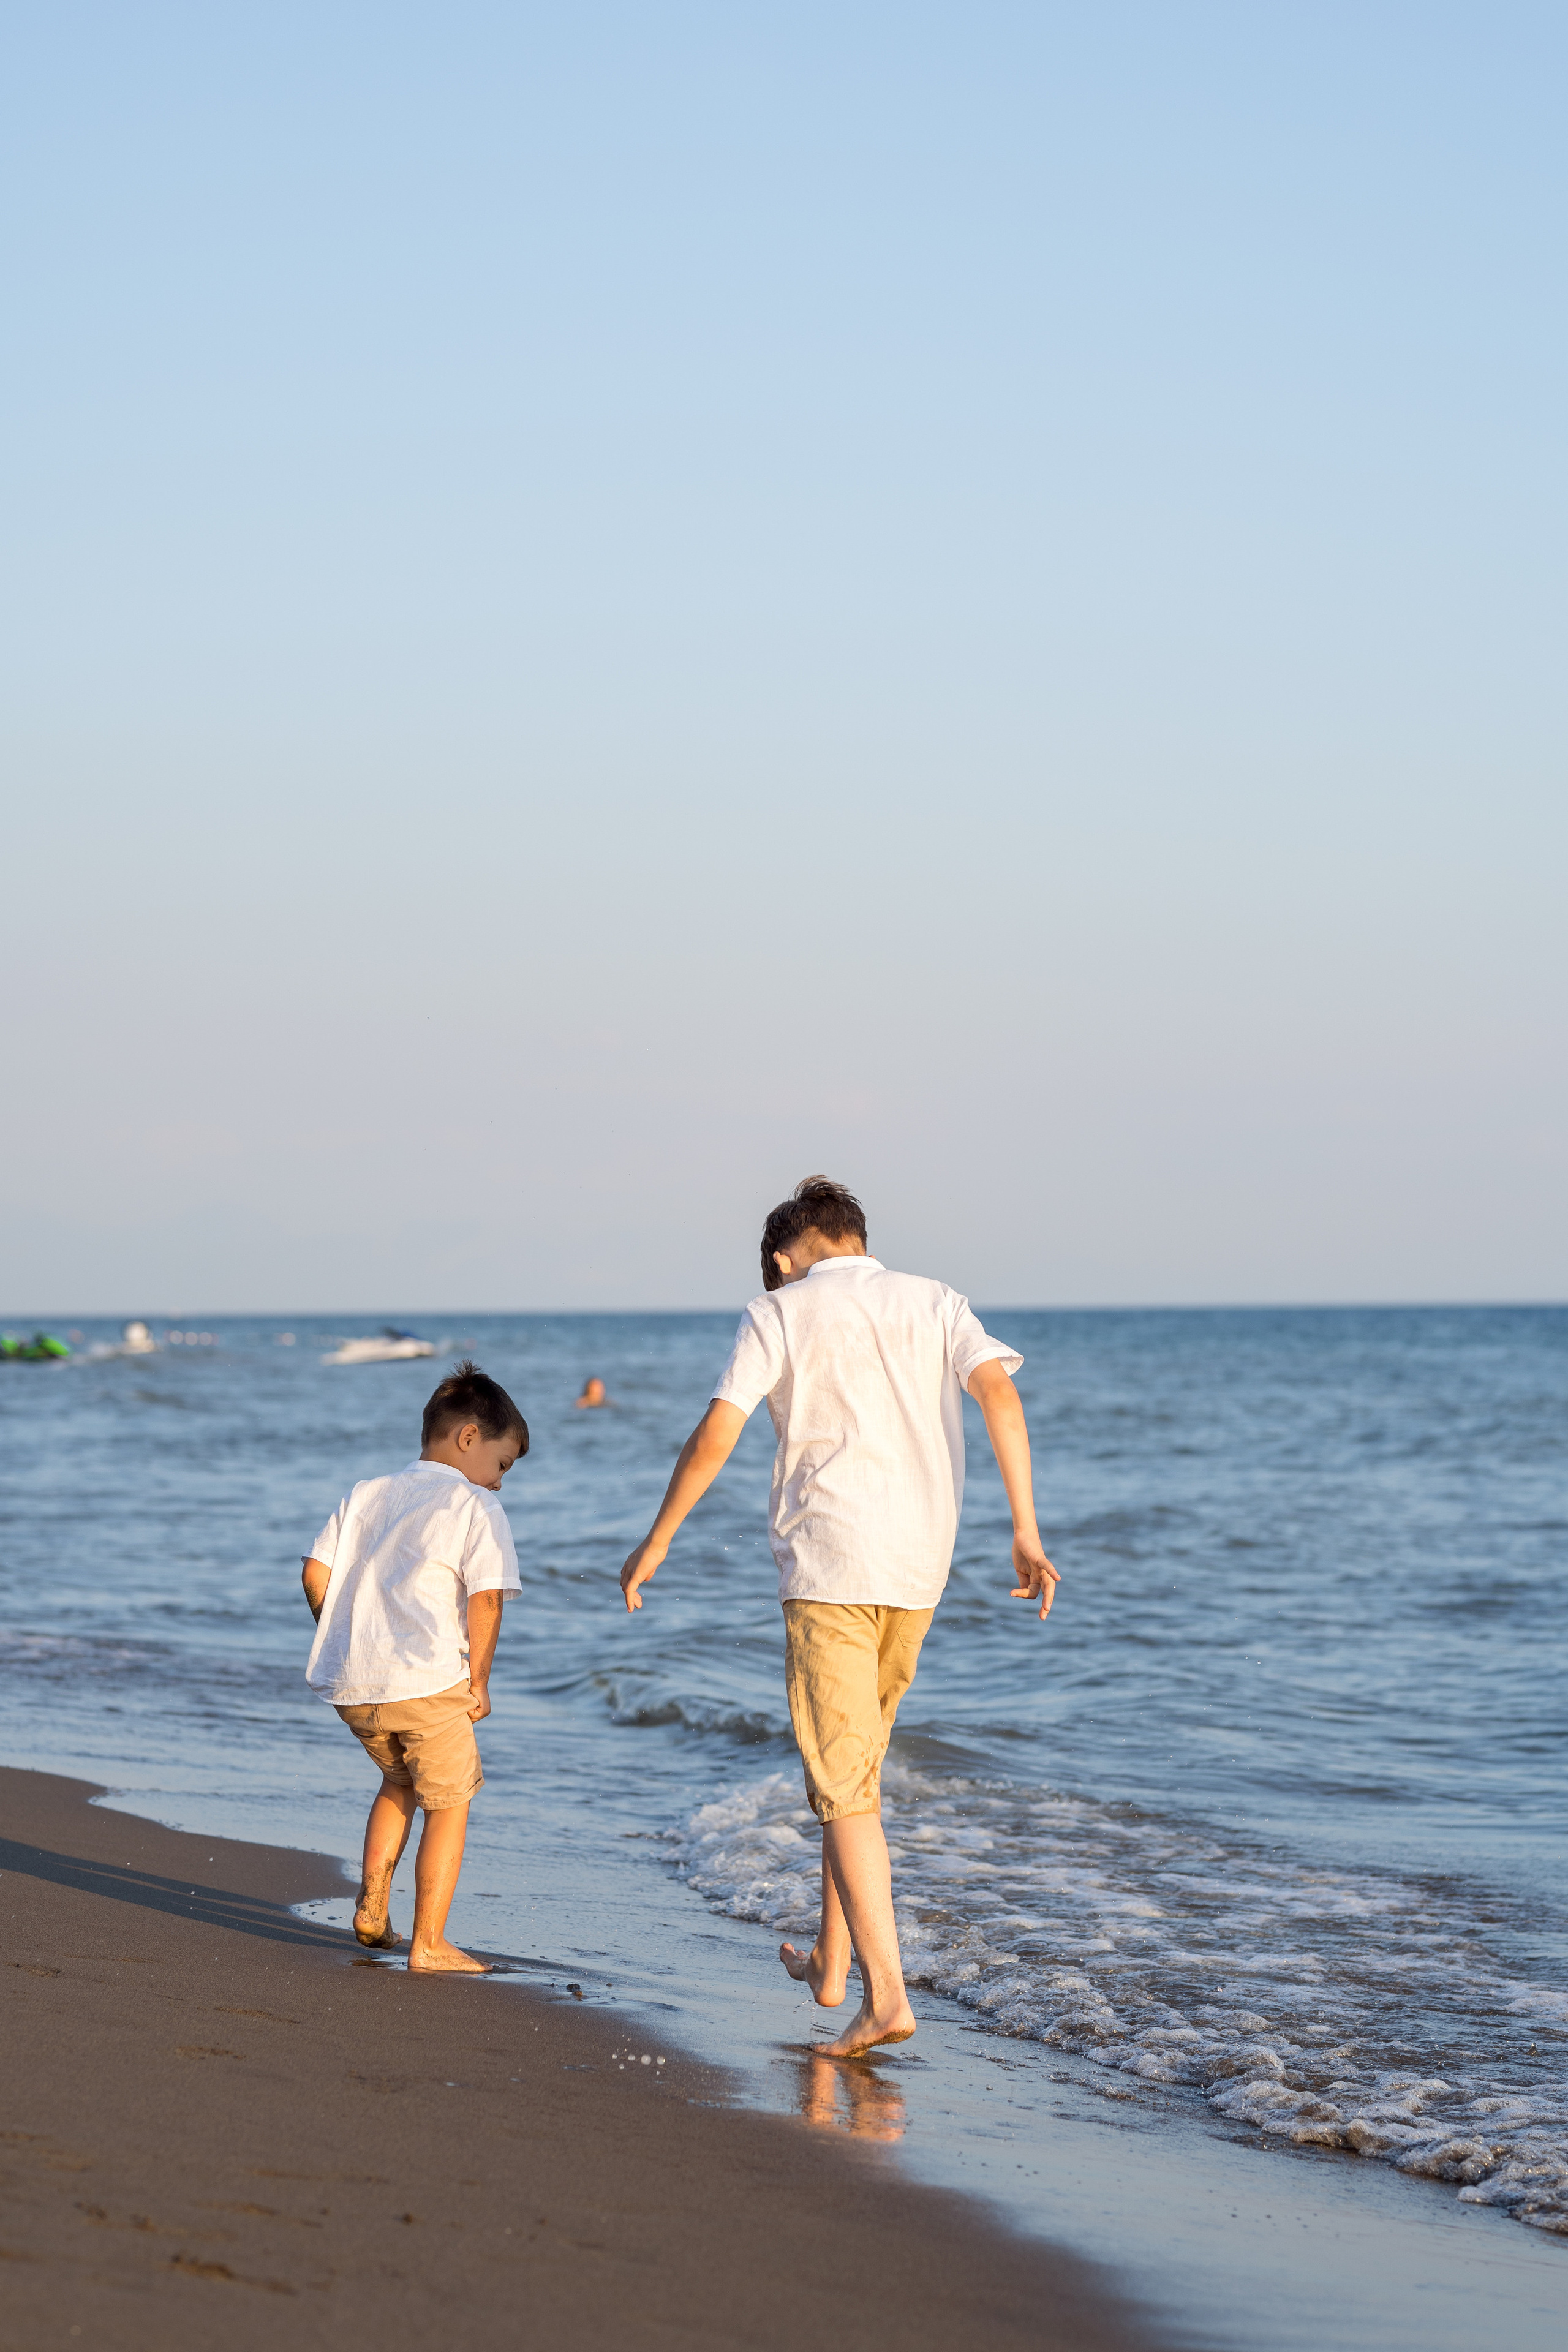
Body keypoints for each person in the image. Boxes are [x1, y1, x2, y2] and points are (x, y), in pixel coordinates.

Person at [620, 1176, 1058, 2057]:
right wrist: (1025, 1529)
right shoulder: (937, 1300)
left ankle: (887, 1998)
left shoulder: (777, 1311)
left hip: (830, 1567)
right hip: (918, 1571)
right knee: (853, 1772)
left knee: (845, 1784)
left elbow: (718, 1430)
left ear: (787, 1256)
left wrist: (658, 1537)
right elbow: (1000, 1398)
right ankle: (832, 1960)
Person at [301, 1360, 529, 1973]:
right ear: (469, 1437)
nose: (499, 1483)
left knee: (399, 1782)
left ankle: (372, 1908)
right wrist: (479, 1682)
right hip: (428, 1683)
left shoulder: (367, 1493)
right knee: (449, 1803)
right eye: (502, 1465)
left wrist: (348, 1636)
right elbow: (486, 1599)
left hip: (357, 1687)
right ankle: (429, 1943)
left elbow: (315, 1573)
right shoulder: (474, 1506)